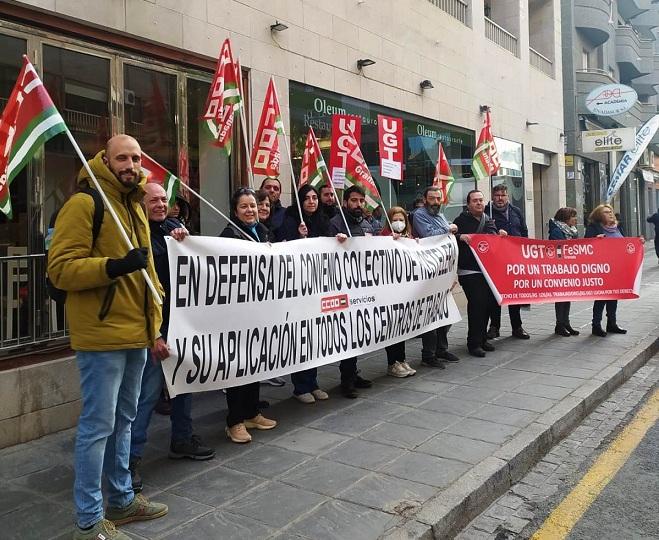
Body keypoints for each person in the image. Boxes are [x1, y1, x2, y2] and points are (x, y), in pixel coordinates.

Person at [48, 135, 168, 540]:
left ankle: (121, 499)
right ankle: (88, 518)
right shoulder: (85, 203)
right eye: (122, 157)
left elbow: (146, 273)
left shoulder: (133, 204)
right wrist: (113, 267)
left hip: (136, 333)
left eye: (136, 157)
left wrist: (154, 324)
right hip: (102, 337)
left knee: (125, 420)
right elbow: (61, 270)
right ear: (106, 160)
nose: (131, 163)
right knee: (98, 426)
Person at [128, 183, 215, 495]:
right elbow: (137, 291)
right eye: (154, 200)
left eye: (164, 199)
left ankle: (182, 439)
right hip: (153, 329)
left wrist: (184, 238)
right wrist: (154, 335)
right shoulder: (133, 235)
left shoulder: (174, 227)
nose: (161, 204)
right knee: (147, 396)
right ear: (141, 203)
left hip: (181, 326)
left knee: (184, 386)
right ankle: (131, 459)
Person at [220, 187, 278, 442]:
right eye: (244, 206)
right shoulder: (228, 235)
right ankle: (234, 421)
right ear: (235, 210)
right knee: (238, 366)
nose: (250, 210)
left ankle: (252, 413)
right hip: (236, 313)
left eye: (253, 205)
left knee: (254, 362)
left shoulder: (262, 232)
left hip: (258, 310)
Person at [279, 185, 331, 403]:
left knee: (314, 337)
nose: (312, 202)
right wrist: (297, 238)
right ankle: (300, 387)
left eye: (314, 198)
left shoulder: (322, 219)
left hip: (317, 287)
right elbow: (282, 246)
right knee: (300, 337)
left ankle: (313, 382)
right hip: (297, 288)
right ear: (299, 201)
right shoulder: (291, 219)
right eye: (307, 198)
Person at [328, 185, 374, 398]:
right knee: (347, 333)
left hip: (362, 285)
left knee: (359, 332)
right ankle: (346, 380)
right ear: (345, 202)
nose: (358, 205)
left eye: (361, 201)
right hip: (344, 286)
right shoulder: (336, 223)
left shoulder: (365, 222)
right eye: (353, 201)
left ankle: (354, 373)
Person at [453, 190, 506, 357]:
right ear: (468, 204)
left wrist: (501, 236)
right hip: (469, 270)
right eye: (475, 200)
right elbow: (450, 238)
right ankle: (473, 343)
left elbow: (493, 243)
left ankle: (482, 338)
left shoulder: (489, 220)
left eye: (481, 200)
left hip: (486, 271)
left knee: (486, 305)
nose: (478, 203)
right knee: (476, 305)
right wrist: (460, 236)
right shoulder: (460, 220)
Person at [412, 186, 460, 368]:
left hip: (444, 271)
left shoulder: (440, 215)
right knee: (431, 315)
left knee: (445, 313)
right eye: (431, 198)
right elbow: (429, 235)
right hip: (429, 273)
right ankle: (429, 354)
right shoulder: (420, 214)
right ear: (425, 200)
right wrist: (448, 229)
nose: (435, 202)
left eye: (438, 198)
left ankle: (442, 349)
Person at [585, 204, 644, 337]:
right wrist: (595, 240)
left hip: (616, 268)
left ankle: (612, 323)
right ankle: (596, 325)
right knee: (601, 297)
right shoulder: (594, 228)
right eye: (606, 212)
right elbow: (586, 244)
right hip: (602, 268)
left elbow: (625, 243)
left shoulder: (618, 227)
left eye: (611, 211)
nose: (610, 214)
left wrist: (638, 241)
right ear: (599, 215)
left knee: (614, 296)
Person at [484, 184, 530, 340]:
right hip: (496, 261)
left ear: (507, 196)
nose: (500, 198)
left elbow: (524, 232)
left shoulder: (516, 211)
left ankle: (517, 326)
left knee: (514, 294)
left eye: (503, 195)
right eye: (497, 195)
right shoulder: (486, 212)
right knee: (494, 296)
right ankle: (494, 326)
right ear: (492, 197)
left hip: (514, 260)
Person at [380, 206, 417, 378]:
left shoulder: (409, 238)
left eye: (401, 220)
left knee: (401, 327)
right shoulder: (383, 237)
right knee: (392, 328)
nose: (398, 223)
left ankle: (401, 360)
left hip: (405, 291)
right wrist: (389, 242)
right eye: (395, 219)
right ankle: (392, 363)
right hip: (389, 292)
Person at [548, 207, 580, 337]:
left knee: (568, 296)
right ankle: (559, 324)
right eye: (573, 216)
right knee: (561, 297)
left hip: (569, 268)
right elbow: (557, 250)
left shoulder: (572, 231)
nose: (575, 219)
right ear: (565, 218)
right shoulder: (556, 231)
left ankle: (566, 323)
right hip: (560, 269)